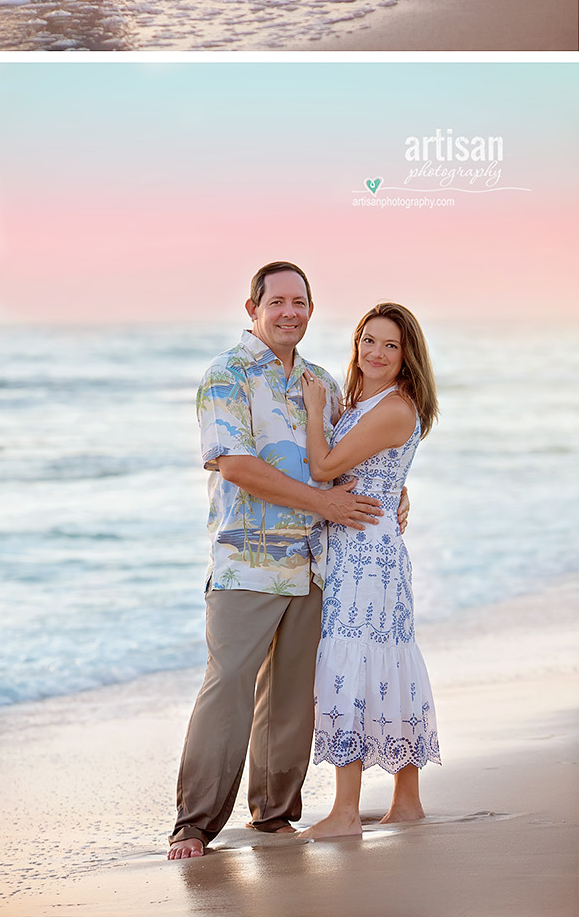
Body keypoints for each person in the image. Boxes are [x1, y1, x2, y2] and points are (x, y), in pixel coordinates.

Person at [169, 261, 399, 863]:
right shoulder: (227, 376)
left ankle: (273, 817)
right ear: (253, 309)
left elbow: (351, 452)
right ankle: (193, 827)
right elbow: (236, 464)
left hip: (316, 564)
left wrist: (398, 487)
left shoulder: (320, 379)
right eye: (278, 302)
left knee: (293, 697)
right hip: (246, 561)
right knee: (229, 690)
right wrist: (323, 500)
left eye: (301, 302)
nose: (290, 312)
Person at [302, 302, 442, 838]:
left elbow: (324, 467)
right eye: (368, 340)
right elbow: (377, 466)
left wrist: (315, 410)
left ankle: (344, 814)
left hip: (365, 549)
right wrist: (398, 490)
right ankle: (406, 803)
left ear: (407, 356)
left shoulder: (394, 406)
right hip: (364, 542)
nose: (375, 352)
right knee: (383, 662)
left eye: (390, 344)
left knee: (355, 662)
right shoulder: (371, 400)